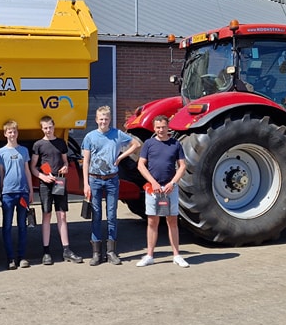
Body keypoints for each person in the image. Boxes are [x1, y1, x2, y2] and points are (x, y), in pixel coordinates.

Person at [81, 105, 140, 266]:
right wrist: (85, 184)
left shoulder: (117, 134)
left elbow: (136, 144)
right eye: (101, 119)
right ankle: (96, 253)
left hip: (112, 179)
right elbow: (85, 161)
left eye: (106, 119)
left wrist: (121, 157)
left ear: (110, 120)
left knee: (112, 215)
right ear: (96, 119)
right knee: (96, 215)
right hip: (94, 180)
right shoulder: (90, 137)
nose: (103, 121)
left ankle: (111, 252)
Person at [136, 115, 189, 268]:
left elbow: (182, 166)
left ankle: (177, 255)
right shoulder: (148, 144)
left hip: (170, 189)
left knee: (172, 221)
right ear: (154, 128)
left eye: (163, 127)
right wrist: (153, 182)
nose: (160, 130)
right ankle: (149, 255)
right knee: (152, 221)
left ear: (168, 127)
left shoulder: (176, 144)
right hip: (153, 190)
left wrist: (172, 183)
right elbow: (141, 165)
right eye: (158, 127)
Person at [30, 115, 82, 265]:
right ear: (42, 128)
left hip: (59, 182)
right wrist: (42, 177)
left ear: (54, 127)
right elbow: (33, 167)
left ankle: (66, 250)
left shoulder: (61, 143)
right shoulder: (38, 145)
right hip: (45, 183)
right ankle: (46, 252)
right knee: (46, 215)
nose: (48, 130)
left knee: (63, 215)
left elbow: (65, 161)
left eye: (50, 127)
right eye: (45, 128)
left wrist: (65, 167)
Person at [0, 120, 32, 269]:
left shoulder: (23, 150)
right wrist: (0, 191)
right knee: (7, 226)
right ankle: (11, 258)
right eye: (9, 132)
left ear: (18, 133)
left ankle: (22, 256)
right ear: (5, 134)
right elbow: (1, 173)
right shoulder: (1, 152)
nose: (12, 134)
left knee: (22, 226)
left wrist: (30, 191)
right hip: (8, 194)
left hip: (23, 192)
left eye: (14, 132)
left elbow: (27, 171)